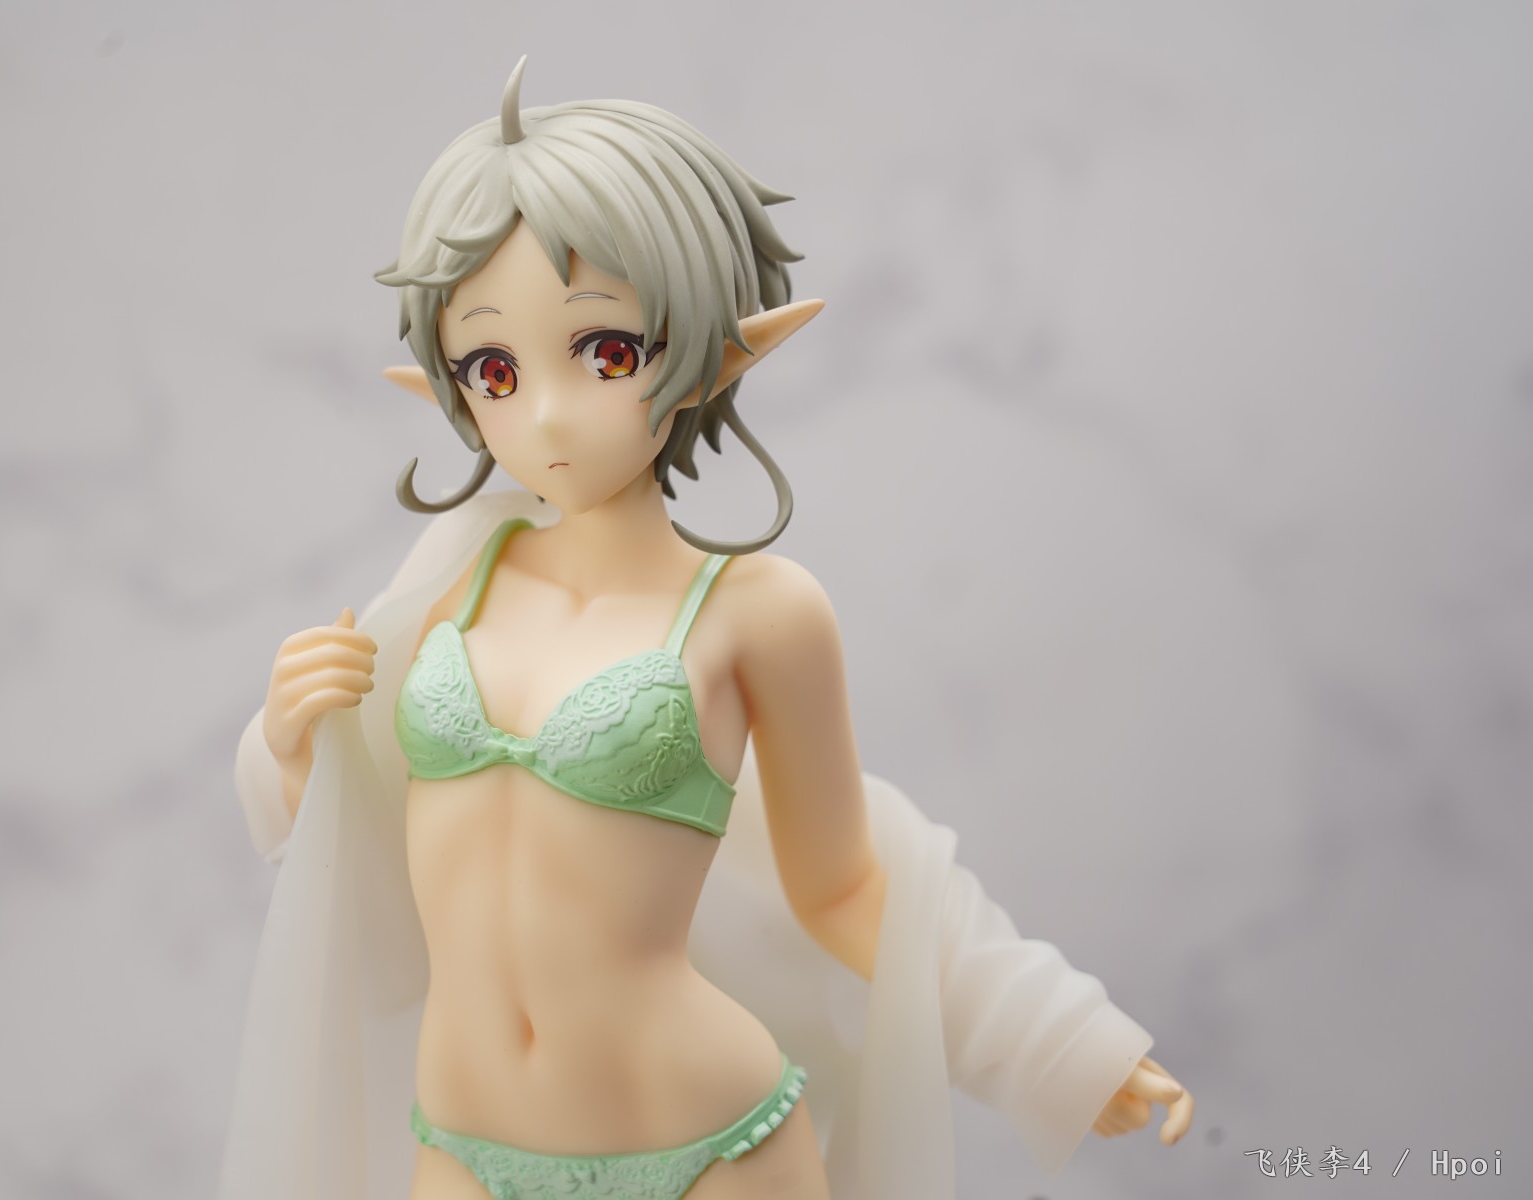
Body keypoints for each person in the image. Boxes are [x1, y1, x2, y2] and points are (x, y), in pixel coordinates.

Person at [218, 58, 1192, 1200]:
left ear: (710, 352)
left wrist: (1054, 1043)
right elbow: (363, 866)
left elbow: (846, 886)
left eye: (607, 352)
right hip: (465, 1149)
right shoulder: (446, 591)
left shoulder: (760, 614)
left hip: (709, 1150)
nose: (546, 414)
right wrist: (289, 750)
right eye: (493, 366)